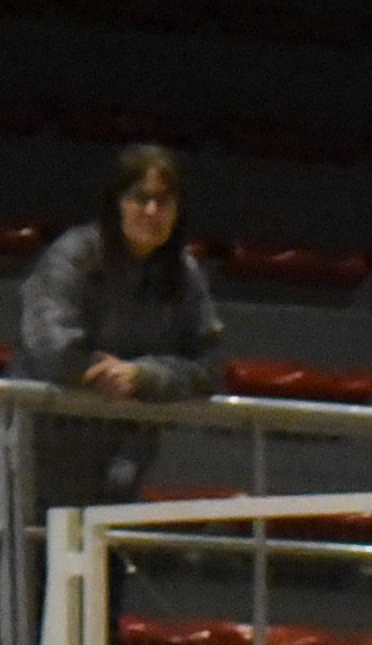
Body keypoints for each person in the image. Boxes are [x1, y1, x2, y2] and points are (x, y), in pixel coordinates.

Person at [17, 143, 226, 509]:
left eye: (164, 201)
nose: (152, 211)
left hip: (123, 469)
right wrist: (102, 373)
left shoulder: (185, 272)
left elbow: (209, 367)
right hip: (37, 459)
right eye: (140, 198)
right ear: (115, 204)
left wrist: (144, 376)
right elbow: (52, 348)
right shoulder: (71, 256)